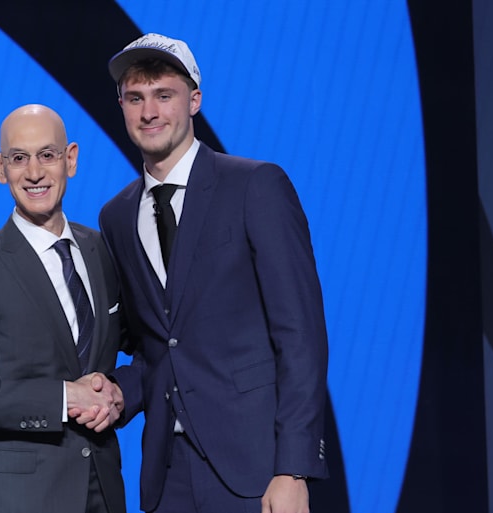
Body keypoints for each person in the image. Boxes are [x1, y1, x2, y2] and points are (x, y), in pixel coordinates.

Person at [99, 34, 329, 513]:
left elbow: (300, 335)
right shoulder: (117, 216)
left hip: (256, 470)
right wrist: (119, 392)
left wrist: (293, 469)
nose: (149, 112)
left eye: (164, 95)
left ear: (194, 101)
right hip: (167, 475)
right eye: (135, 98)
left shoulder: (254, 185)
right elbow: (157, 347)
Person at [0, 104, 127, 513]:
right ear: (0, 167)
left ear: (70, 159)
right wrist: (62, 398)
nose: (34, 172)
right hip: (15, 499)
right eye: (19, 158)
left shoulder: (101, 251)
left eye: (48, 155)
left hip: (101, 493)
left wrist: (117, 391)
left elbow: (137, 346)